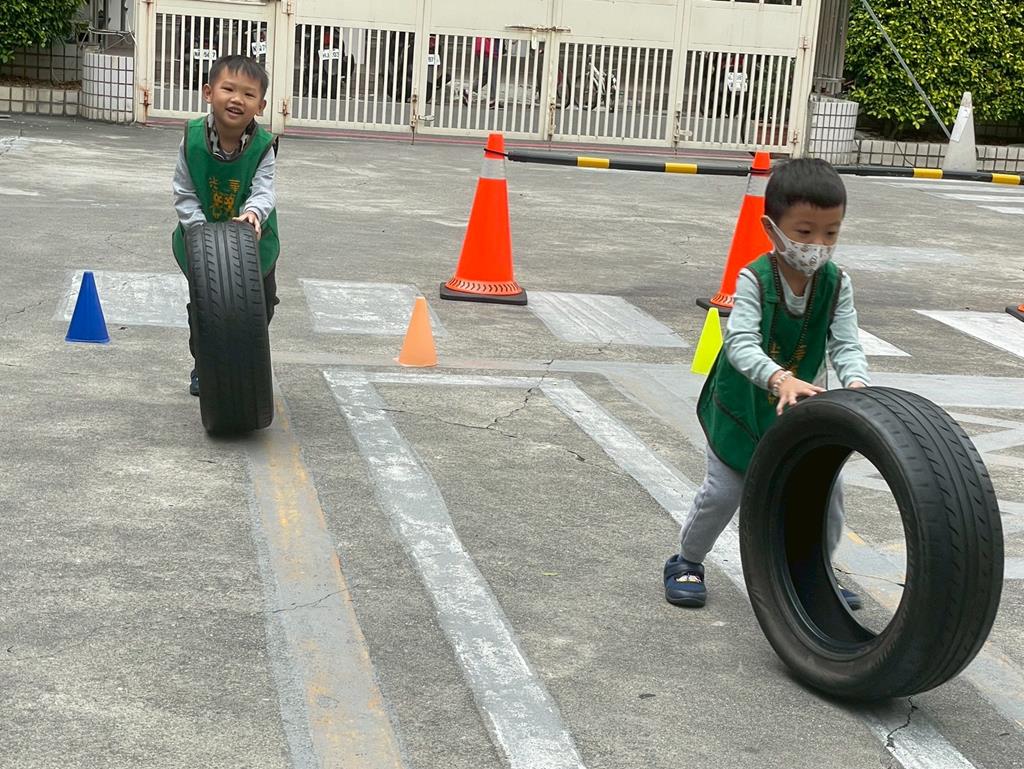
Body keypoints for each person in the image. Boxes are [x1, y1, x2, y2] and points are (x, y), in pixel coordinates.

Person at [664, 158, 869, 609]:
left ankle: (816, 573)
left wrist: (856, 382)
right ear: (771, 228)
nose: (818, 245)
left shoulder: (837, 284)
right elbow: (739, 343)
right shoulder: (754, 278)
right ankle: (686, 561)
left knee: (825, 494)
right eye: (805, 232)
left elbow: (846, 342)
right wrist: (778, 377)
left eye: (831, 233)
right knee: (725, 491)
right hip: (741, 407)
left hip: (801, 409)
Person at [171, 54, 280, 396]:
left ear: (260, 106)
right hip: (200, 241)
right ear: (208, 92)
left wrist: (253, 214)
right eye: (228, 89)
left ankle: (244, 361)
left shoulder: (263, 146)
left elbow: (264, 190)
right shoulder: (192, 139)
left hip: (253, 244)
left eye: (248, 94)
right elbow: (184, 191)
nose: (237, 99)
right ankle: (205, 366)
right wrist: (199, 231)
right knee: (204, 310)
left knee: (260, 305)